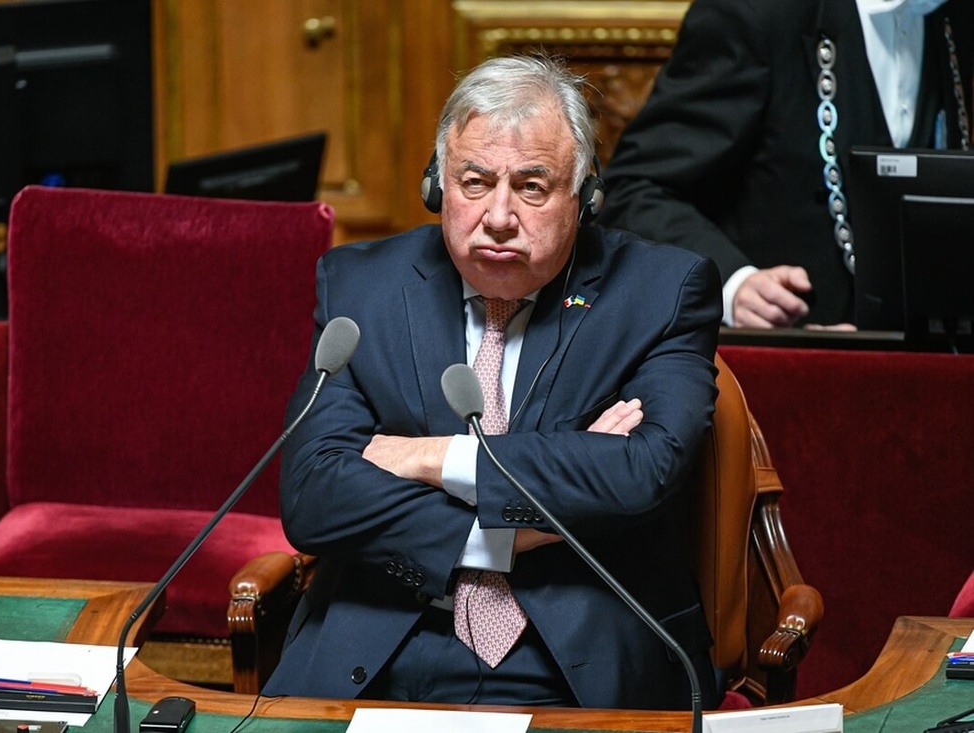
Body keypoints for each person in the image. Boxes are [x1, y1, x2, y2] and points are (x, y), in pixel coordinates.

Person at [263, 54, 723, 710]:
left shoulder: (660, 293)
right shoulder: (362, 286)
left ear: (585, 196)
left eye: (532, 186)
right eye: (474, 181)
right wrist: (525, 523)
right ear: (437, 186)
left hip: (573, 662)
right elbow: (313, 495)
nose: (499, 216)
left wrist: (429, 456)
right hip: (383, 643)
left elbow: (643, 471)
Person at [600, 0, 974, 329]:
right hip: (777, 368)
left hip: (921, 368)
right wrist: (734, 285)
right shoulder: (756, 12)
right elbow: (634, 188)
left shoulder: (952, 15)